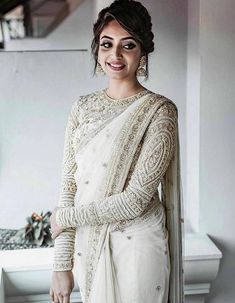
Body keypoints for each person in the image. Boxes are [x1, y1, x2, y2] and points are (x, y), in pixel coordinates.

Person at [49, 1, 184, 303]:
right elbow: (68, 186)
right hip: (89, 247)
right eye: (107, 44)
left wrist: (65, 217)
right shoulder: (82, 108)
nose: (115, 55)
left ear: (143, 52)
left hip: (138, 250)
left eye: (128, 45)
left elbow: (136, 200)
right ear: (97, 48)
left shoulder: (159, 111)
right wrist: (61, 265)